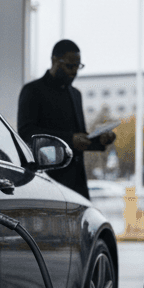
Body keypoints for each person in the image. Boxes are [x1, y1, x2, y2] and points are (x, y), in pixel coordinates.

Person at [17, 39, 116, 199]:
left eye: (78, 66)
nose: (74, 72)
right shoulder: (33, 91)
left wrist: (100, 141)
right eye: (70, 66)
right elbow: (27, 133)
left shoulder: (76, 94)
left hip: (77, 184)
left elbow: (80, 137)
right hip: (48, 182)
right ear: (54, 60)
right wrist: (70, 139)